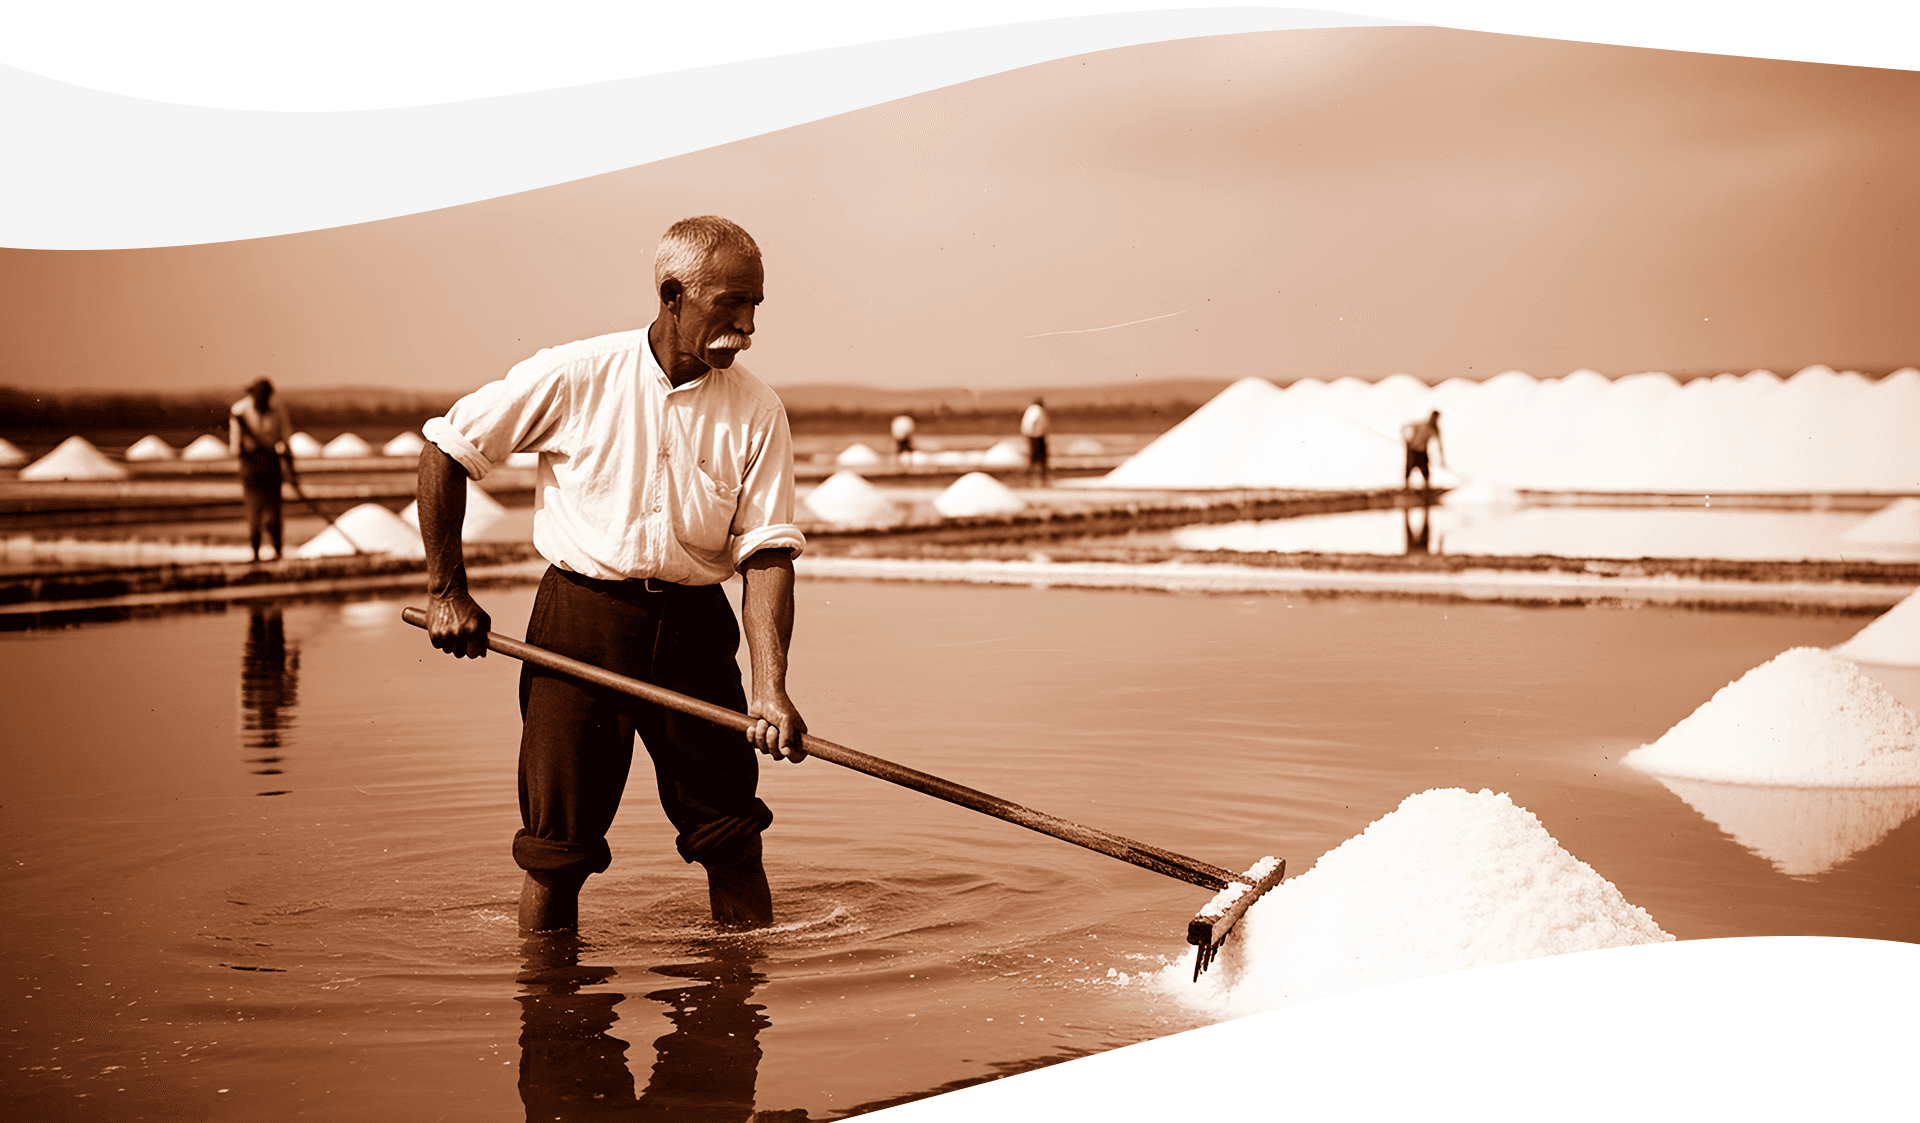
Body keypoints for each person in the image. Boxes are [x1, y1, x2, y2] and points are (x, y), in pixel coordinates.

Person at [418, 216, 809, 934]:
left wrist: (770, 689)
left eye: (756, 305)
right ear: (671, 294)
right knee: (555, 849)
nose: (748, 325)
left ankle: (736, 1007)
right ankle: (549, 1011)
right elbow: (447, 448)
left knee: (732, 837)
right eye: (731, 303)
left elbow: (766, 555)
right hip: (580, 625)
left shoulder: (757, 410)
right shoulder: (576, 374)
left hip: (693, 630)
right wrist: (448, 591)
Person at [229, 378, 294, 561]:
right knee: (254, 514)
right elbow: (236, 448)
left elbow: (286, 442)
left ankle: (277, 552)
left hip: (272, 466)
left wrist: (290, 470)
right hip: (251, 468)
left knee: (274, 516)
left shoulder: (278, 410)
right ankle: (255, 554)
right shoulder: (239, 413)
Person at [1401, 409, 1446, 490]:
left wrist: (1442, 460)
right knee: (1408, 469)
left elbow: (1440, 446)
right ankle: (1406, 488)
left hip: (1422, 452)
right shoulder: (1421, 424)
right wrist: (1405, 439)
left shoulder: (1435, 430)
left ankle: (1427, 489)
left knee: (1426, 472)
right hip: (1413, 450)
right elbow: (1404, 426)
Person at [1020, 396, 1050, 486]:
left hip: (1031, 435)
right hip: (1036, 436)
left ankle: (1032, 472)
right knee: (1039, 455)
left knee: (1033, 455)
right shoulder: (1037, 409)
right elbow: (1033, 421)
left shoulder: (1030, 409)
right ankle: (1039, 473)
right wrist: (1035, 432)